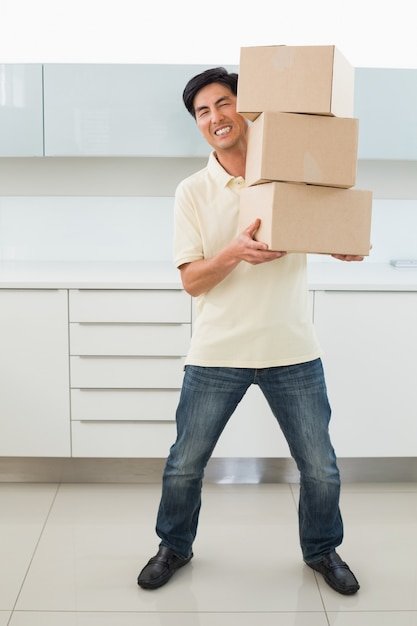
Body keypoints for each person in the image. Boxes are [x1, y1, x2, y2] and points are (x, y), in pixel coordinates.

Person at [137, 67, 364, 595]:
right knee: (184, 465)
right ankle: (173, 546)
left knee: (321, 469)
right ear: (197, 124)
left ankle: (323, 551)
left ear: (247, 108)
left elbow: (325, 227)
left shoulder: (290, 178)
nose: (216, 117)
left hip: (290, 346)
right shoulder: (192, 192)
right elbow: (192, 281)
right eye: (203, 111)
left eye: (224, 103)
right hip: (218, 351)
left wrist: (342, 242)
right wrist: (234, 254)